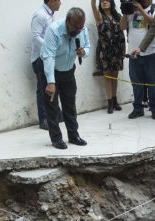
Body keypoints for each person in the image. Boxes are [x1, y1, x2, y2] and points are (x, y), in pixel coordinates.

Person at [42, 7, 91, 149]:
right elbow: (49, 56)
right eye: (76, 27)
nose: (78, 30)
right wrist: (50, 81)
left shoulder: (82, 30)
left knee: (70, 104)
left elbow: (87, 46)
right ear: (68, 21)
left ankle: (73, 135)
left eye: (81, 27)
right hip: (50, 70)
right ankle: (56, 138)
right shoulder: (54, 30)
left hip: (68, 70)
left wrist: (84, 52)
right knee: (52, 106)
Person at [122, 0, 155, 119]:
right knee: (136, 84)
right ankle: (138, 108)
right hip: (133, 53)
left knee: (153, 83)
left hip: (151, 53)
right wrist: (125, 12)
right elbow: (122, 26)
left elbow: (154, 23)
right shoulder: (131, 11)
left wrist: (140, 10)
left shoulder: (154, 8)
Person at [31, 0, 62, 130]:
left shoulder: (50, 14)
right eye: (58, 0)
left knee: (53, 85)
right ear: (51, 1)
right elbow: (35, 36)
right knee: (42, 89)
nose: (60, 2)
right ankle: (44, 119)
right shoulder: (40, 15)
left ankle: (57, 114)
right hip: (40, 58)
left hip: (49, 57)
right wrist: (49, 47)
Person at [91, 0, 126, 114]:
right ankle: (109, 102)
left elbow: (122, 31)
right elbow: (93, 6)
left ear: (111, 2)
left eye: (107, 0)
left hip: (117, 50)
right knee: (107, 77)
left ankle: (115, 101)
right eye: (102, 1)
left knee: (115, 76)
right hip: (105, 51)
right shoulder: (100, 16)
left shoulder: (117, 16)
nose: (104, 2)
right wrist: (93, 2)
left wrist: (124, 49)